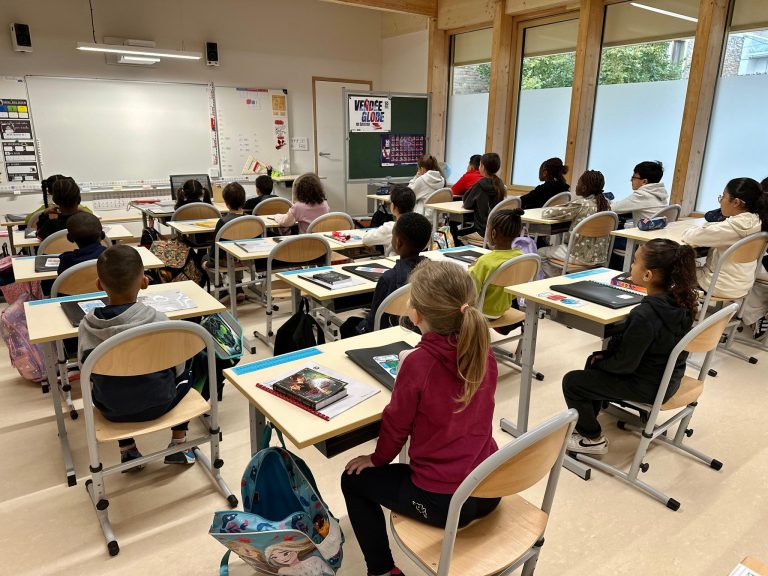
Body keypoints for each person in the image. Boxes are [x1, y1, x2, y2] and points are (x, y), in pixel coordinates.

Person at [341, 260, 500, 576]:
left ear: (415, 314)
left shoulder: (418, 364)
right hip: (489, 486)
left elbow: (396, 426)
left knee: (351, 480)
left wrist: (377, 459)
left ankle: (382, 570)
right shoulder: (482, 349)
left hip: (447, 502)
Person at [562, 239, 697, 454]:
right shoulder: (682, 302)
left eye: (635, 262)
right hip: (670, 378)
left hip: (648, 386)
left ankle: (591, 438)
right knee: (596, 360)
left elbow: (624, 365)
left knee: (573, 381)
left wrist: (603, 359)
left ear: (647, 275)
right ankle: (589, 419)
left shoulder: (645, 314)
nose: (631, 266)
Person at [78, 245, 197, 470]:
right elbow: (178, 368)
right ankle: (179, 444)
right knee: (191, 368)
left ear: (98, 284)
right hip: (160, 402)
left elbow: (87, 371)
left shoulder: (87, 326)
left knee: (113, 384)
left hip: (110, 409)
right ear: (144, 282)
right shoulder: (159, 320)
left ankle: (128, 451)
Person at [340, 212, 431, 339]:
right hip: (419, 333)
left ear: (398, 242)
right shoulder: (434, 272)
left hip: (388, 336)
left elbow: (373, 323)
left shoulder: (389, 279)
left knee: (349, 325)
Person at [681, 177, 768, 299]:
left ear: (736, 202)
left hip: (718, 284)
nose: (721, 201)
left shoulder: (733, 228)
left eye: (723, 196)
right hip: (742, 284)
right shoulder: (757, 221)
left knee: (672, 270)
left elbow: (691, 236)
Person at [537, 170, 612, 278]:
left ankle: (555, 280)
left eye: (578, 183)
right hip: (600, 257)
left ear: (584, 188)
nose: (576, 186)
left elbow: (548, 213)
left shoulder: (580, 205)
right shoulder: (606, 205)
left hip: (578, 255)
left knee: (540, 253)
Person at [468, 208, 524, 319]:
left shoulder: (485, 262)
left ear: (493, 233)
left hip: (480, 311)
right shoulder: (520, 257)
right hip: (503, 309)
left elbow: (471, 293)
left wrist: (471, 269)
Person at [206, 182, 247, 304]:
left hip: (227, 261)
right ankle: (238, 287)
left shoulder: (223, 222)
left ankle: (220, 288)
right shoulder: (253, 220)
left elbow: (214, 253)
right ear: (244, 200)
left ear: (226, 202)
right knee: (238, 250)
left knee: (206, 258)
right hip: (248, 260)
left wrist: (209, 261)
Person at [457, 152, 506, 243]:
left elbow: (467, 203)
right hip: (496, 230)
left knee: (454, 234)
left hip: (482, 231)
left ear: (482, 167)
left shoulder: (481, 184)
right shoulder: (500, 184)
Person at [362, 184, 415, 257]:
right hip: (417, 265)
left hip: (394, 264)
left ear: (393, 207)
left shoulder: (390, 228)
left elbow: (366, 239)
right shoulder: (420, 226)